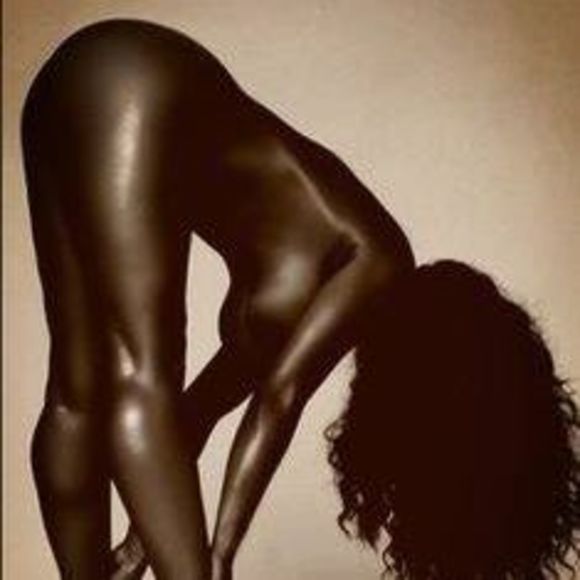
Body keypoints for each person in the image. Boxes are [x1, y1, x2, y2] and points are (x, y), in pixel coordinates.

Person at [20, 19, 579, 580]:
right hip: (139, 84)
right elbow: (277, 402)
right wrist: (217, 557)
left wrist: (142, 539)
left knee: (76, 392)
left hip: (65, 86)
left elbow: (196, 416)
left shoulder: (312, 316)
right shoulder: (382, 261)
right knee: (139, 375)